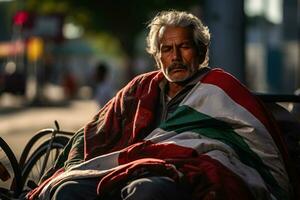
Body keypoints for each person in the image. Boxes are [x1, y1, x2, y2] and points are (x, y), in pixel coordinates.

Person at [27, 10, 294, 200]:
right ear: (158, 57)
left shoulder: (220, 87)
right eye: (167, 49)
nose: (175, 57)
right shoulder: (141, 88)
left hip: (180, 173)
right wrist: (66, 167)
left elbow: (256, 144)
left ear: (201, 52)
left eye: (185, 47)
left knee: (146, 190)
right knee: (67, 190)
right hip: (127, 167)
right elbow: (97, 132)